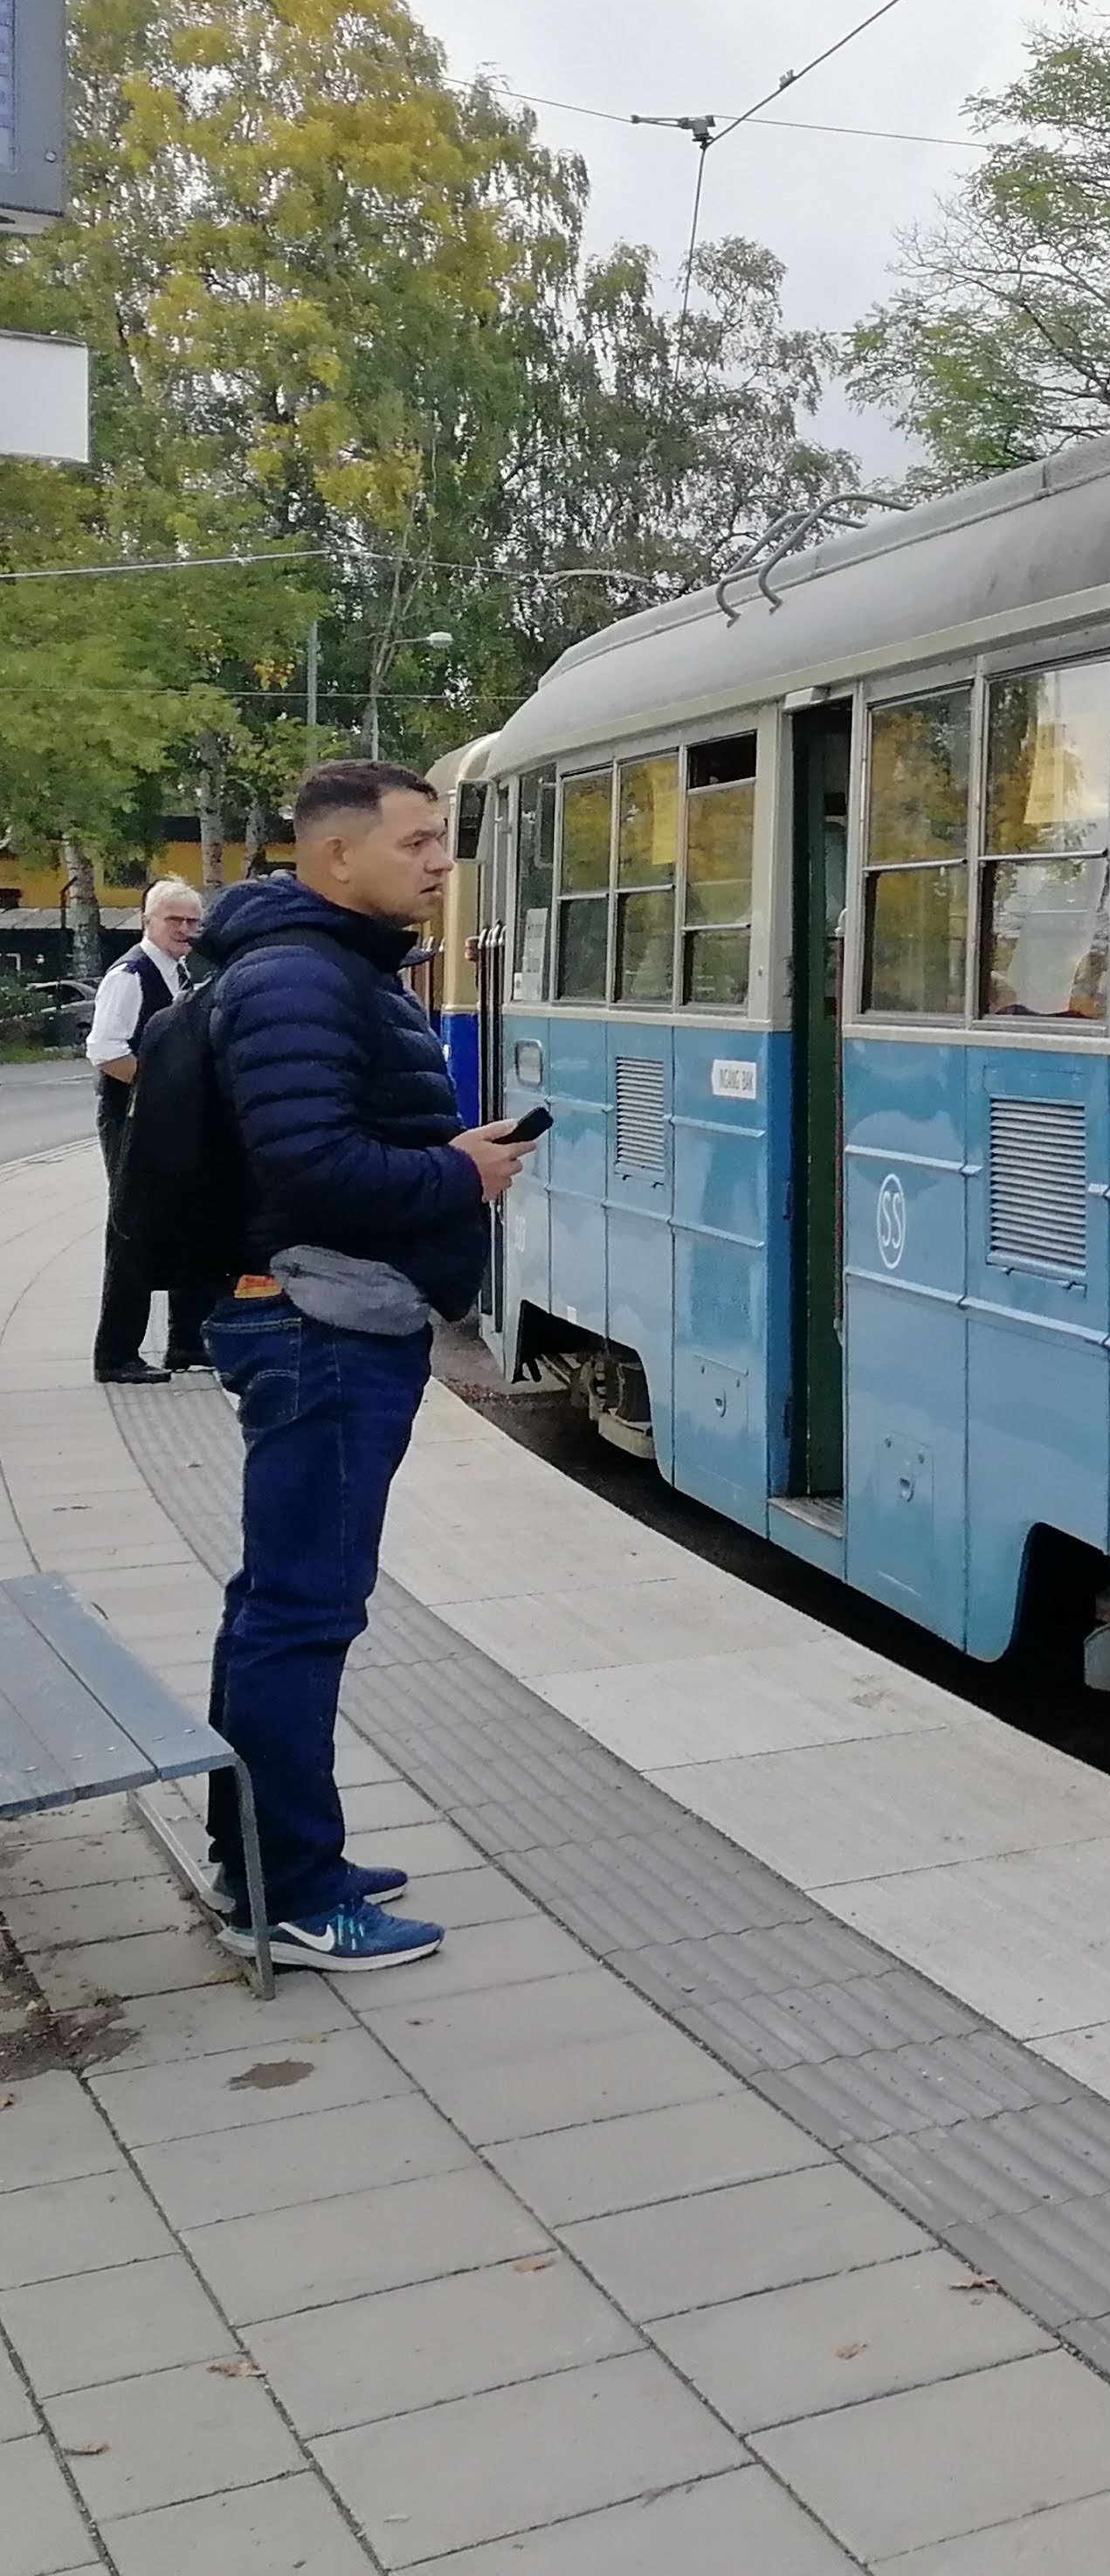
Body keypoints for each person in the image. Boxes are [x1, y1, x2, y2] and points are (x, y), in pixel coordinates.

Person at [195, 763, 537, 1974]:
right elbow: (312, 1169)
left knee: (279, 1605)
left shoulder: (324, 968)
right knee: (302, 1611)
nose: (442, 862)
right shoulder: (301, 976)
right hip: (319, 1326)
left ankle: (266, 1855)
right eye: (421, 841)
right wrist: (461, 1175)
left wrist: (442, 1159)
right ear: (337, 858)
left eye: (442, 841)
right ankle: (291, 1891)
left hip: (325, 1317)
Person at [87, 876, 210, 1384]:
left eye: (192, 921)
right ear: (147, 921)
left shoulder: (181, 973)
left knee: (188, 1224)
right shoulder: (131, 975)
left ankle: (185, 1345)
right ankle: (116, 1355)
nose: (184, 929)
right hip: (133, 1119)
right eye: (174, 920)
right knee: (133, 1232)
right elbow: (107, 1051)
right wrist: (162, 1088)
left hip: (168, 1121)